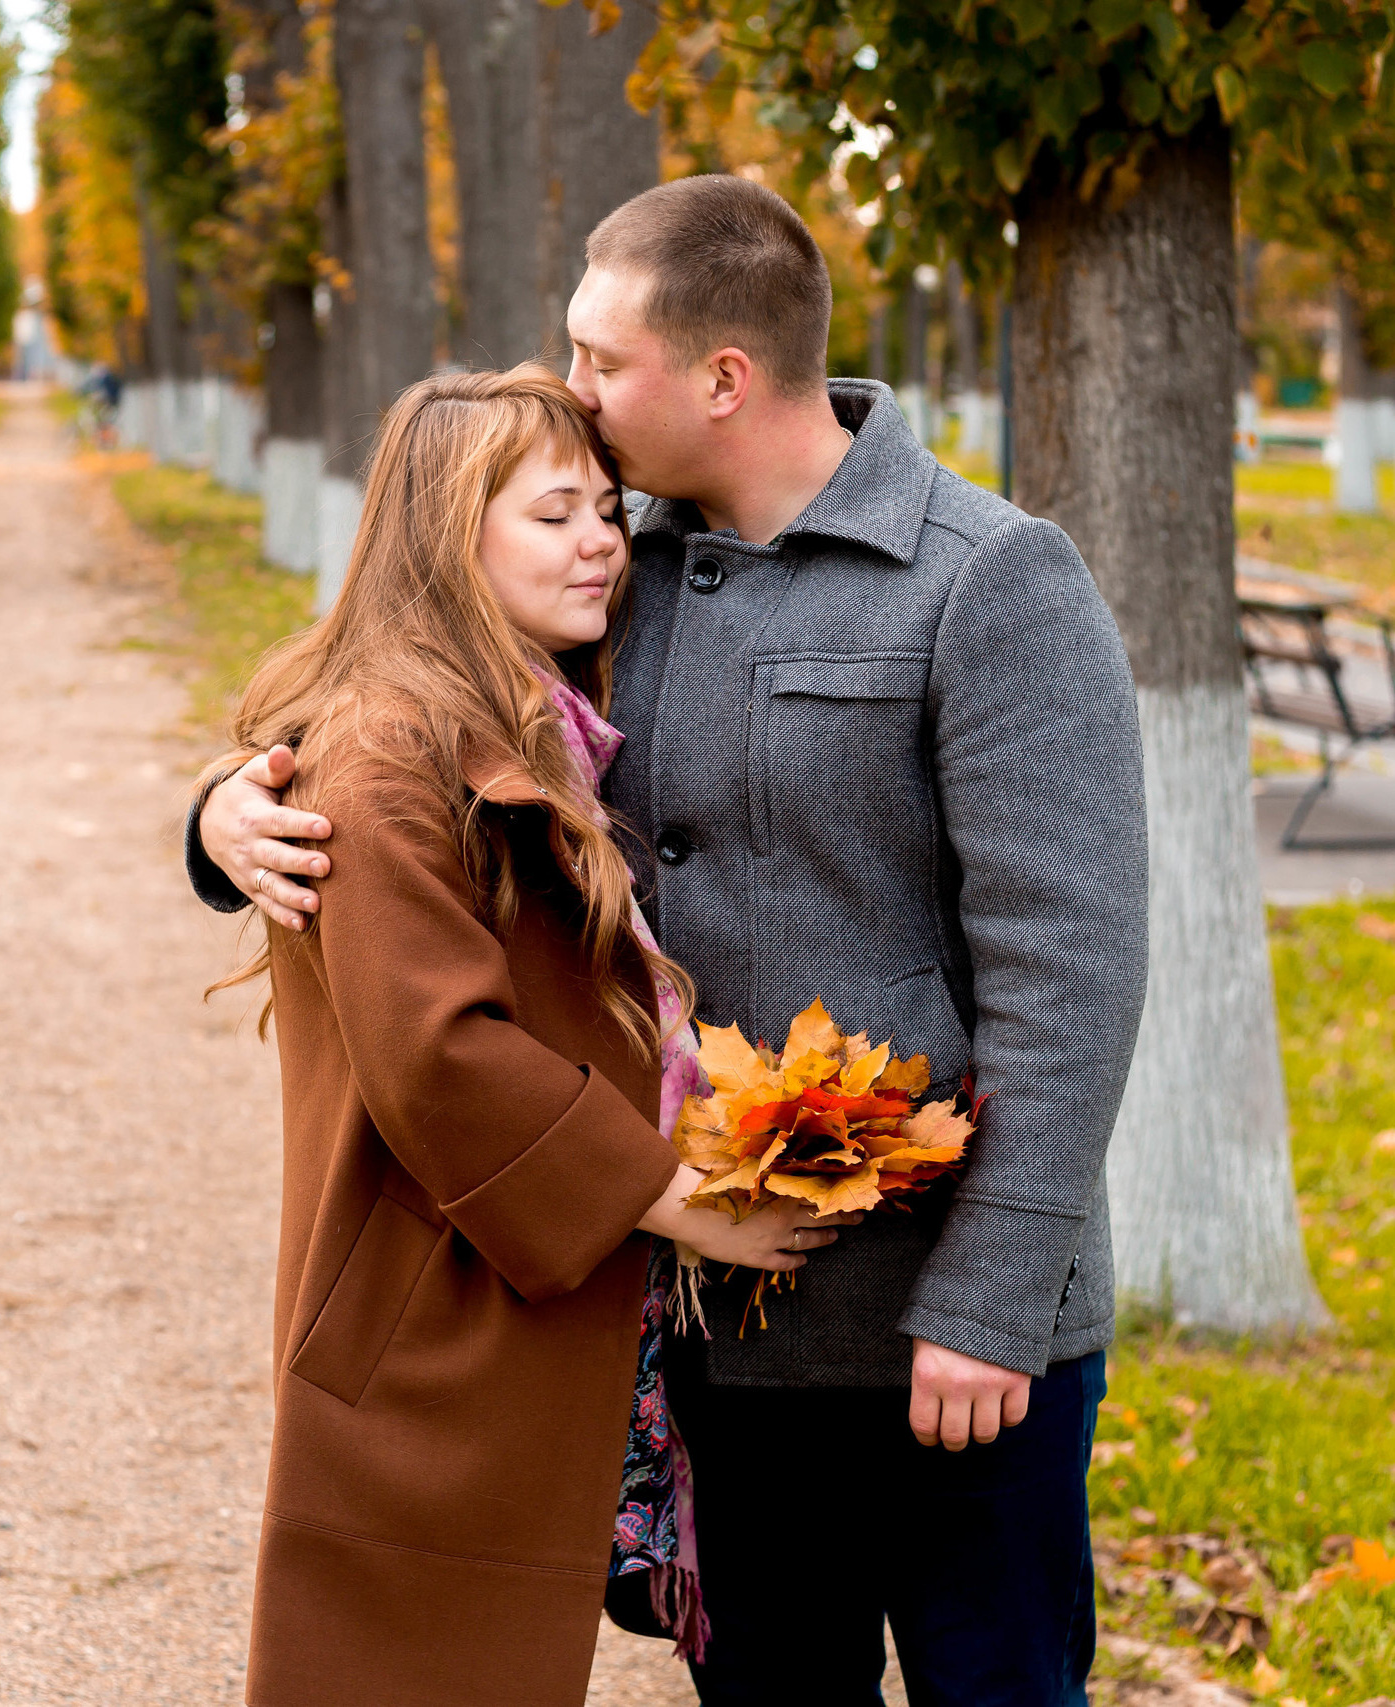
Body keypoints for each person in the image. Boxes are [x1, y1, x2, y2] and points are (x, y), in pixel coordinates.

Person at [193, 176, 1148, 1705]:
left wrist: (992, 1300)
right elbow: (397, 699)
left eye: (597, 359)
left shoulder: (986, 579)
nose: (569, 388)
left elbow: (1069, 968)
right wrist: (224, 814)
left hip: (942, 1324)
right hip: (713, 1323)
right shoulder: (601, 570)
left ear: (719, 377)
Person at [203, 363, 857, 1707]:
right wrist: (685, 1204)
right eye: (556, 514)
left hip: (507, 1293)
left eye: (608, 509)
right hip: (434, 1306)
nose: (604, 542)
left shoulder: (536, 706)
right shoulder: (387, 746)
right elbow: (441, 1056)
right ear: (450, 533)